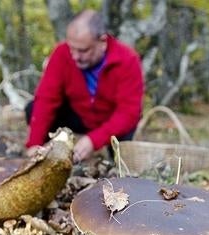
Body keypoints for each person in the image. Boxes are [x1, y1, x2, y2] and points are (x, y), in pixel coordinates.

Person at [25, 9, 144, 162]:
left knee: (123, 144)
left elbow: (129, 112)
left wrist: (94, 140)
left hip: (111, 120)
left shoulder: (128, 60)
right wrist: (34, 143)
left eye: (83, 50)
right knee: (33, 108)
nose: (74, 56)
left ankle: (114, 158)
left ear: (102, 41)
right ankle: (54, 153)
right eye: (71, 48)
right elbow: (46, 98)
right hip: (79, 116)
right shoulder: (61, 53)